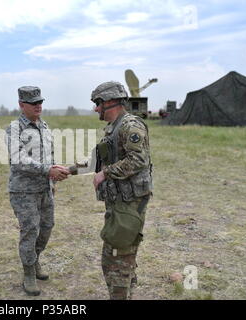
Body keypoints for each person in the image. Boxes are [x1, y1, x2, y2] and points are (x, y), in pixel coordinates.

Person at [91, 81, 153, 300]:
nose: (96, 109)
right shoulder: (114, 127)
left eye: (98, 103)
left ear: (109, 102)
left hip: (129, 203)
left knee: (115, 259)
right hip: (119, 202)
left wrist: (105, 174)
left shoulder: (129, 126)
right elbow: (101, 160)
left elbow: (138, 160)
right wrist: (69, 170)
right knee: (122, 255)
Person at [6, 86, 70, 296]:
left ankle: (35, 261)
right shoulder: (14, 128)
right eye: (33, 103)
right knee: (30, 231)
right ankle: (28, 273)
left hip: (44, 189)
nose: (38, 106)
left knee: (47, 227)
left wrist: (54, 177)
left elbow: (47, 157)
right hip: (23, 192)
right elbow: (18, 161)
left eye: (40, 102)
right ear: (21, 105)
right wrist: (47, 171)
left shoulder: (44, 126)